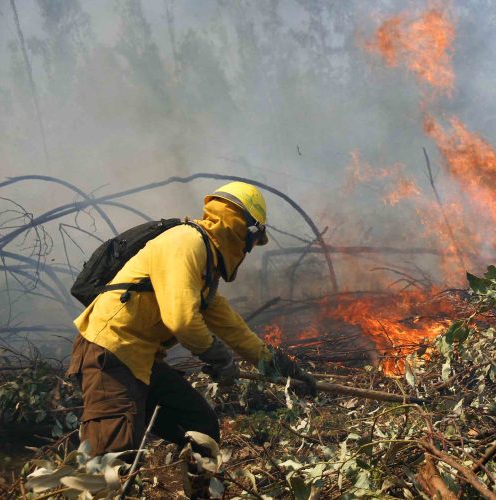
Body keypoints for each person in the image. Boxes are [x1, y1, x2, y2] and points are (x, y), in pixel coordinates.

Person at [66, 181, 317, 459]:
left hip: (140, 360)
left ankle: (197, 482)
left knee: (200, 428)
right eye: (255, 242)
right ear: (243, 231)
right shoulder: (186, 242)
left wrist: (285, 371)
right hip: (110, 353)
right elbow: (182, 320)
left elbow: (237, 332)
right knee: (111, 459)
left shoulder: (205, 272)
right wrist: (217, 356)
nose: (249, 250)